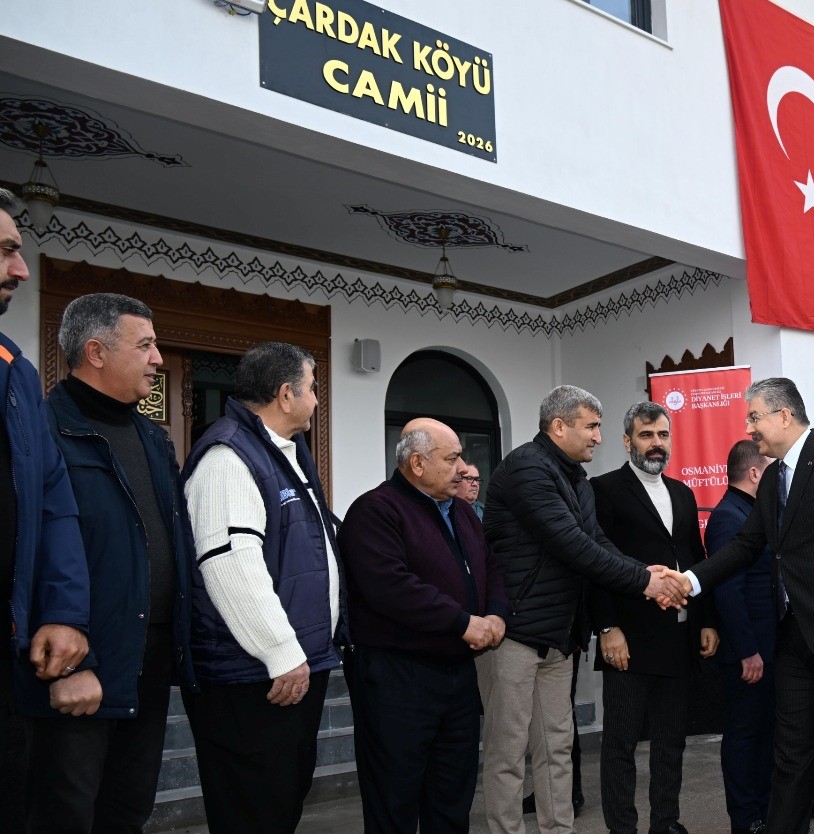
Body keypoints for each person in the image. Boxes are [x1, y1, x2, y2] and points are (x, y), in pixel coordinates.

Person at [673, 377, 814, 834]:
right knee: (790, 757)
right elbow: (744, 546)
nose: (749, 427)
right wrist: (689, 580)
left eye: (754, 416)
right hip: (791, 639)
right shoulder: (772, 478)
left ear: (784, 415)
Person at [478, 385, 686, 834]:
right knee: (508, 753)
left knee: (556, 749)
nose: (598, 436)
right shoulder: (526, 469)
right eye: (591, 426)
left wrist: (643, 571)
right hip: (514, 633)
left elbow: (597, 541)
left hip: (559, 635)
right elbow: (572, 546)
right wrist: (645, 582)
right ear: (559, 426)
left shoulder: (574, 477)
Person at [27, 294, 195, 832]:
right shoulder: (40, 431)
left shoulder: (153, 437)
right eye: (144, 345)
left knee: (127, 811)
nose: (158, 359)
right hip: (78, 665)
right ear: (96, 352)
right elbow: (30, 555)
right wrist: (74, 664)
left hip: (149, 659)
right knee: (66, 814)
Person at [181, 342, 347, 834]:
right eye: (312, 388)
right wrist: (281, 652)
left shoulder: (283, 453)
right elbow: (230, 564)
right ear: (285, 394)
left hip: (291, 667)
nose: (317, 400)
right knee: (253, 810)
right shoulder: (228, 457)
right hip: (253, 676)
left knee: (279, 803)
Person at [338, 418, 508, 833]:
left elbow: (490, 567)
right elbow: (390, 587)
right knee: (393, 800)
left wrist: (496, 613)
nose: (463, 469)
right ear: (417, 463)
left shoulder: (463, 513)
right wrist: (461, 622)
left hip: (457, 676)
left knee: (452, 798)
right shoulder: (375, 510)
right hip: (397, 678)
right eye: (452, 459)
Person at [0, 187, 90, 829]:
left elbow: (53, 505)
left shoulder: (16, 373)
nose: (21, 269)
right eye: (7, 250)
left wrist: (62, 612)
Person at [590, 402, 718, 834]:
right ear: (627, 440)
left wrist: (706, 620)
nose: (656, 443)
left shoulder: (682, 492)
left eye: (662, 435)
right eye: (646, 435)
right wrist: (607, 628)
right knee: (620, 745)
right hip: (628, 641)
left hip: (678, 638)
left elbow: (696, 557)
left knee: (670, 742)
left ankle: (666, 823)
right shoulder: (602, 490)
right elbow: (594, 564)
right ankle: (622, 829)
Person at [707, 439, 775, 834]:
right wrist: (748, 651)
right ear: (753, 473)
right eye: (769, 471)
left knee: (764, 733)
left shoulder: (749, 511)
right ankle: (746, 818)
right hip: (749, 653)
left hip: (766, 647)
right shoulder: (729, 518)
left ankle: (763, 811)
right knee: (744, 735)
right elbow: (728, 592)